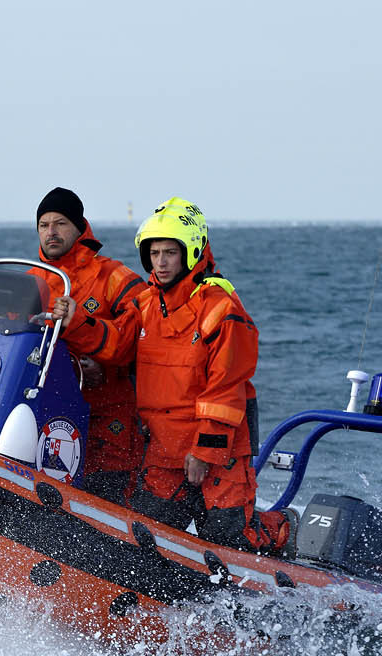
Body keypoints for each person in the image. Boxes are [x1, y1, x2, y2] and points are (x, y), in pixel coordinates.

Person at [113, 196, 290, 554]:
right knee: (146, 539)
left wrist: (204, 451)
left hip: (217, 451)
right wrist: (70, 322)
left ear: (190, 253)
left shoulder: (219, 308)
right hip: (164, 450)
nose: (160, 262)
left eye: (169, 253)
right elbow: (113, 343)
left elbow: (225, 387)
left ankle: (286, 531)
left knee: (230, 539)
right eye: (154, 253)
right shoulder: (145, 305)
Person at [31, 187, 145, 504]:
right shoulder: (32, 281)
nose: (50, 232)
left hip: (109, 419)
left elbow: (141, 341)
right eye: (43, 225)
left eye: (60, 223)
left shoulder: (114, 277)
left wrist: (81, 326)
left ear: (80, 227)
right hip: (48, 417)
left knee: (108, 501)